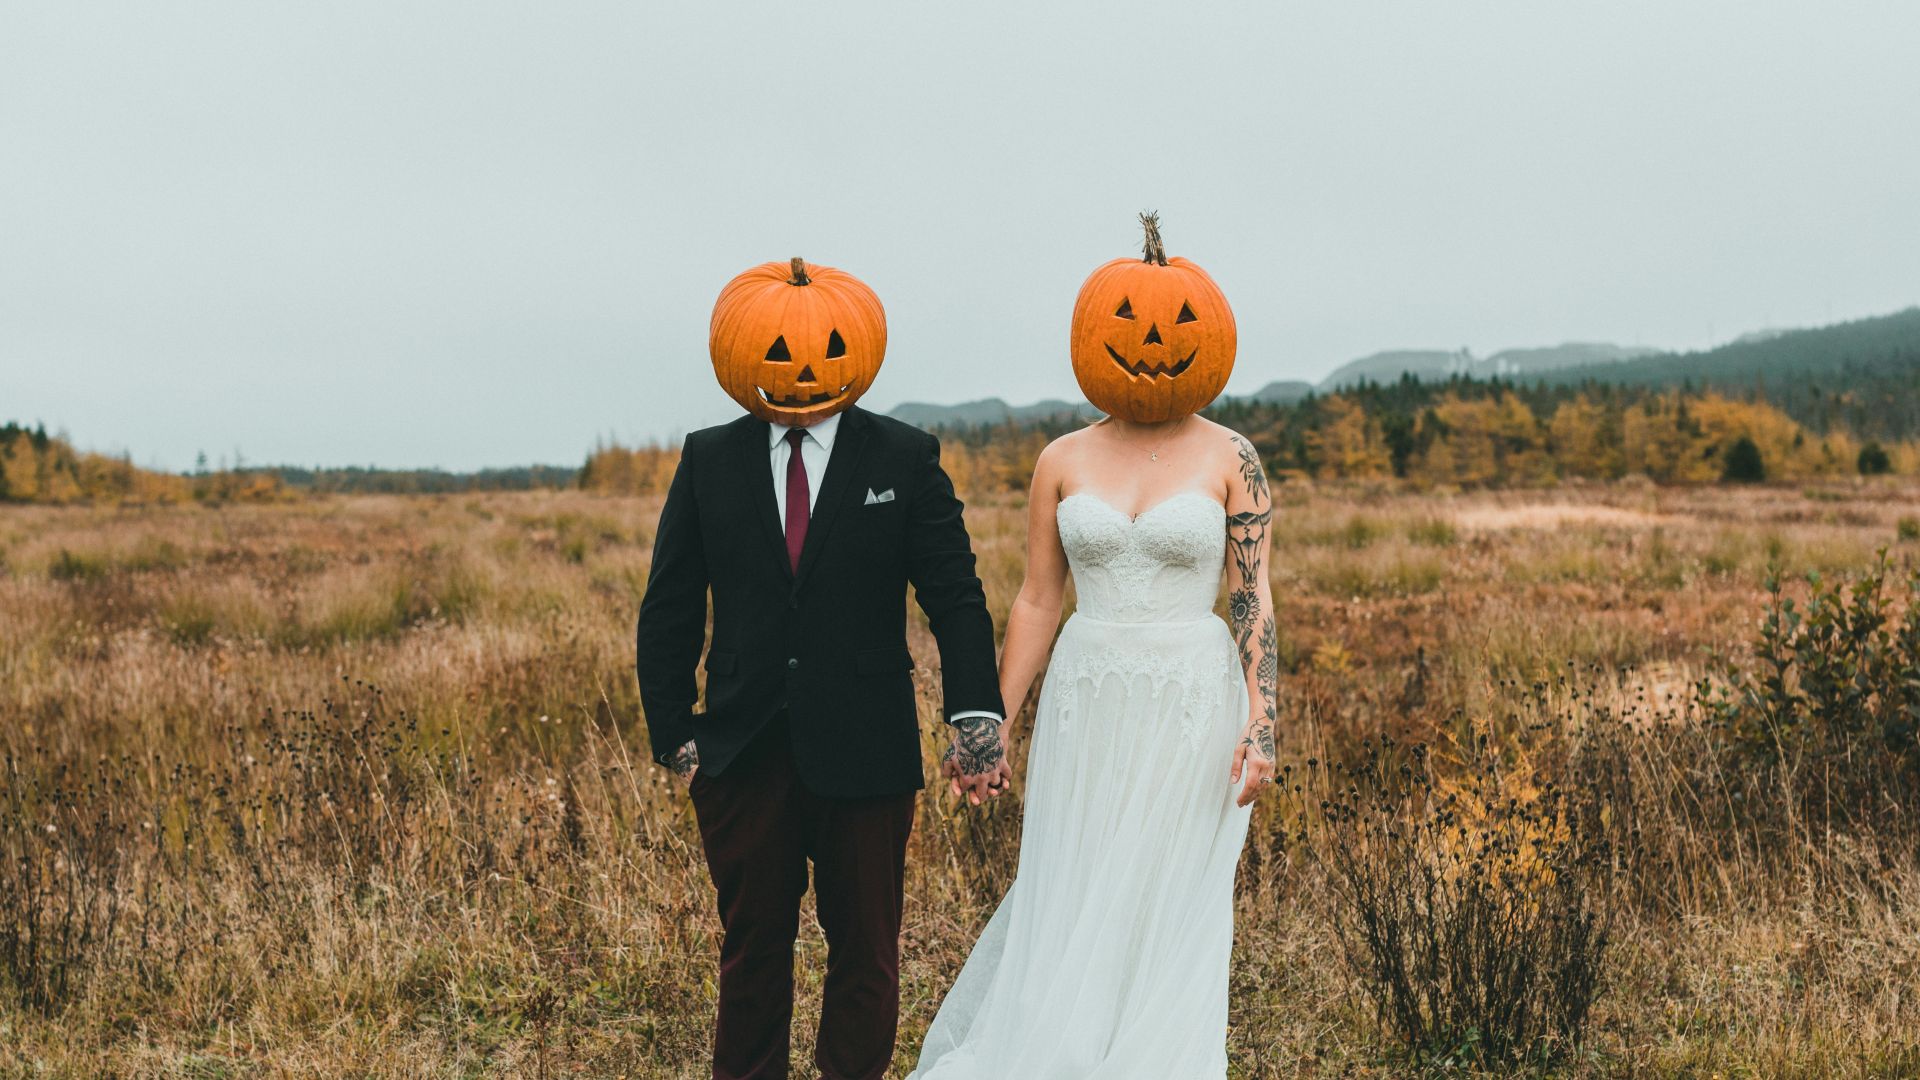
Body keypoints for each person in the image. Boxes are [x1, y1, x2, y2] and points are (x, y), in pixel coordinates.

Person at [911, 215, 1275, 1076]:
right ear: (1093, 338)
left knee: (1168, 888)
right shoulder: (1061, 460)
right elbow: (1039, 598)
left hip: (1190, 695)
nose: (1153, 344)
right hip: (1089, 694)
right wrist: (988, 725)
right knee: (1075, 878)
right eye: (1131, 327)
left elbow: (1253, 596)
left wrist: (1263, 723)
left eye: (1177, 328)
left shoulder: (1235, 457)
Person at [637, 256, 1009, 1080]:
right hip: (741, 752)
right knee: (753, 955)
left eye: (825, 349)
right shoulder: (708, 460)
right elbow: (669, 604)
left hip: (867, 753)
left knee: (868, 958)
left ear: (860, 348)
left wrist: (975, 717)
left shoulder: (905, 458)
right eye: (779, 354)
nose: (803, 372)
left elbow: (955, 597)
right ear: (738, 353)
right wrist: (676, 735)